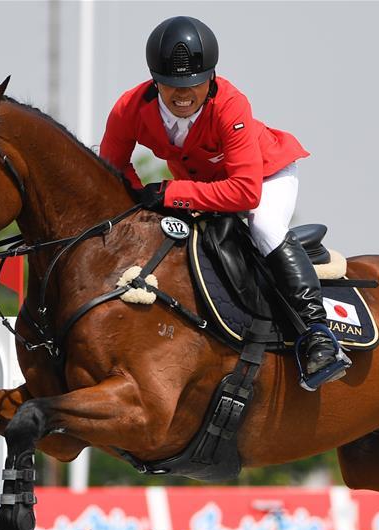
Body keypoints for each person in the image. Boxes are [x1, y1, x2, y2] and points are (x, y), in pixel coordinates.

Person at [99, 15, 351, 390]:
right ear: (155, 80)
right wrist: (139, 195)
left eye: (194, 84)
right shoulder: (129, 108)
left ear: (211, 77)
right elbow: (110, 168)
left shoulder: (230, 104)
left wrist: (168, 193)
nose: (183, 95)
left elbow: (245, 193)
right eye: (171, 85)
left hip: (265, 177)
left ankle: (318, 335)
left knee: (264, 227)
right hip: (205, 186)